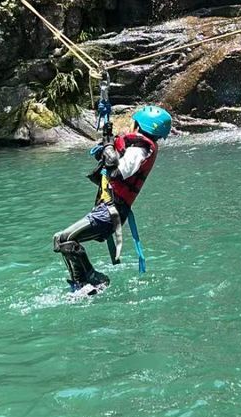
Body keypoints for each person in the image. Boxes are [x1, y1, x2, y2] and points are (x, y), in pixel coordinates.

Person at [53, 104, 172, 294]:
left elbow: (116, 172)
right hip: (107, 210)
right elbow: (109, 163)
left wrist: (109, 148)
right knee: (64, 240)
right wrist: (108, 144)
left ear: (141, 125)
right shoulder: (137, 147)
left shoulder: (140, 150)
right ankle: (83, 283)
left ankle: (90, 279)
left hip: (110, 212)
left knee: (62, 240)